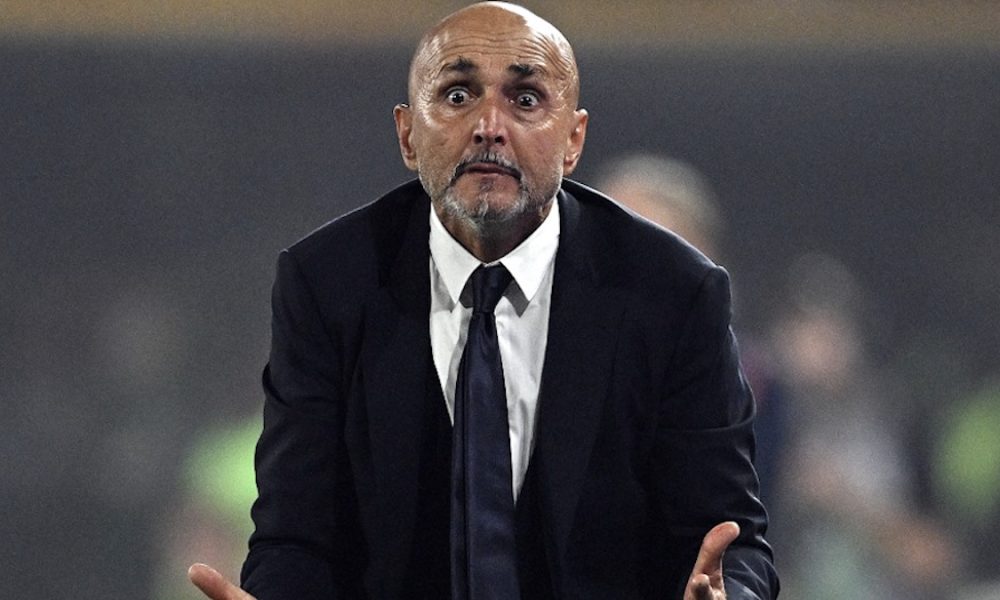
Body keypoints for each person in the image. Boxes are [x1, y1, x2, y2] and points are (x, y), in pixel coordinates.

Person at [189, 3, 777, 599]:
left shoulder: (674, 293)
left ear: (573, 140)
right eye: (457, 95)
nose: (489, 125)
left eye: (525, 99)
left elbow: (733, 542)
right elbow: (295, 537)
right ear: (407, 135)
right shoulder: (326, 284)